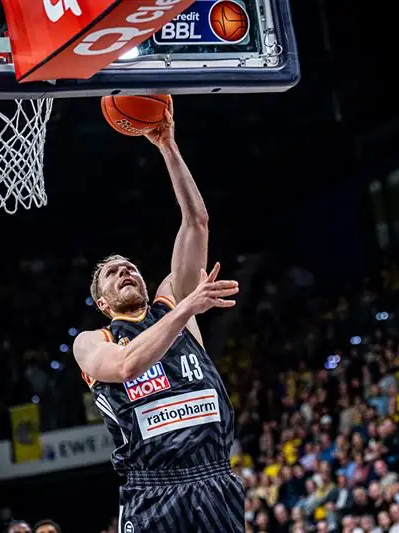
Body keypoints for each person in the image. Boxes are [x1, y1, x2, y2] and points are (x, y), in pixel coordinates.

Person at [73, 99, 244, 533]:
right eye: (112, 273)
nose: (125, 271)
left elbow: (197, 222)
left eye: (129, 266)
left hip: (215, 479)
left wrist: (168, 146)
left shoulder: (172, 303)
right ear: (103, 303)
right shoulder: (94, 342)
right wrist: (189, 305)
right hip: (153, 490)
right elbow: (129, 365)